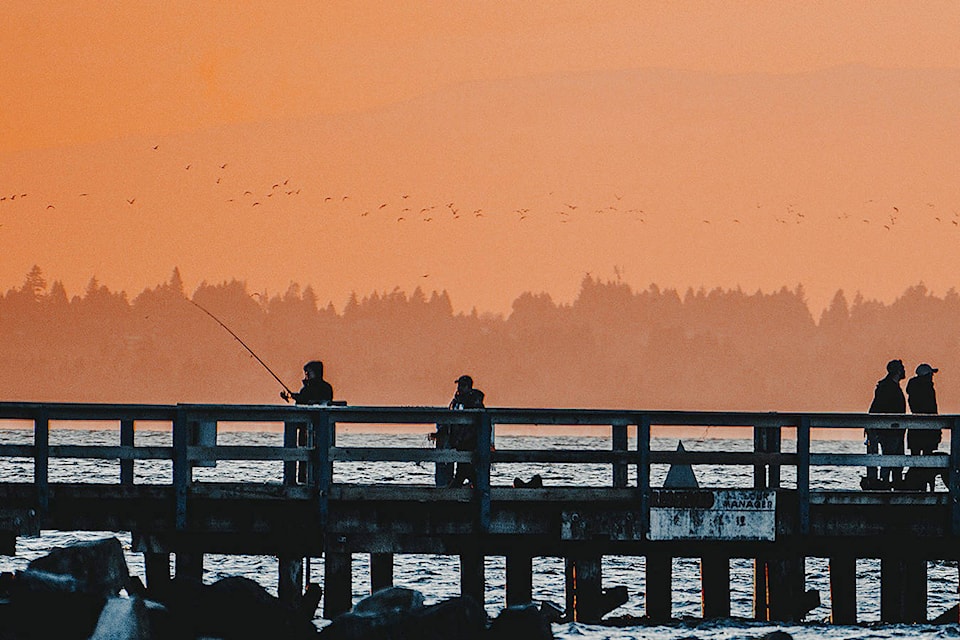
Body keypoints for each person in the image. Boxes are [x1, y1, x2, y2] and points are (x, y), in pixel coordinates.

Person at [863, 359, 906, 490]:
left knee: (892, 459)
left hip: (892, 429)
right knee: (890, 459)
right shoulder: (888, 387)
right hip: (890, 430)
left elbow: (875, 406)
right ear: (897, 371)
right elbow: (880, 407)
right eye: (902, 368)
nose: (904, 371)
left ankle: (885, 483)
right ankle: (885, 485)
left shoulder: (885, 386)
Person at [447, 374, 485, 487]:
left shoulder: (474, 403)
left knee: (465, 469)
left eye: (462, 386)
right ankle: (475, 488)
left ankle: (455, 491)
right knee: (466, 469)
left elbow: (480, 422)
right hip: (460, 441)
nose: (459, 388)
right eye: (459, 385)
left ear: (469, 387)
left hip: (469, 442)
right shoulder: (457, 402)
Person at [906, 363, 940, 455]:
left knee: (915, 456)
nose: (932, 376)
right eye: (930, 374)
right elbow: (932, 409)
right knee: (927, 456)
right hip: (928, 429)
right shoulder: (927, 389)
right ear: (927, 375)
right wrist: (937, 429)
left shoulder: (913, 389)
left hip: (915, 428)